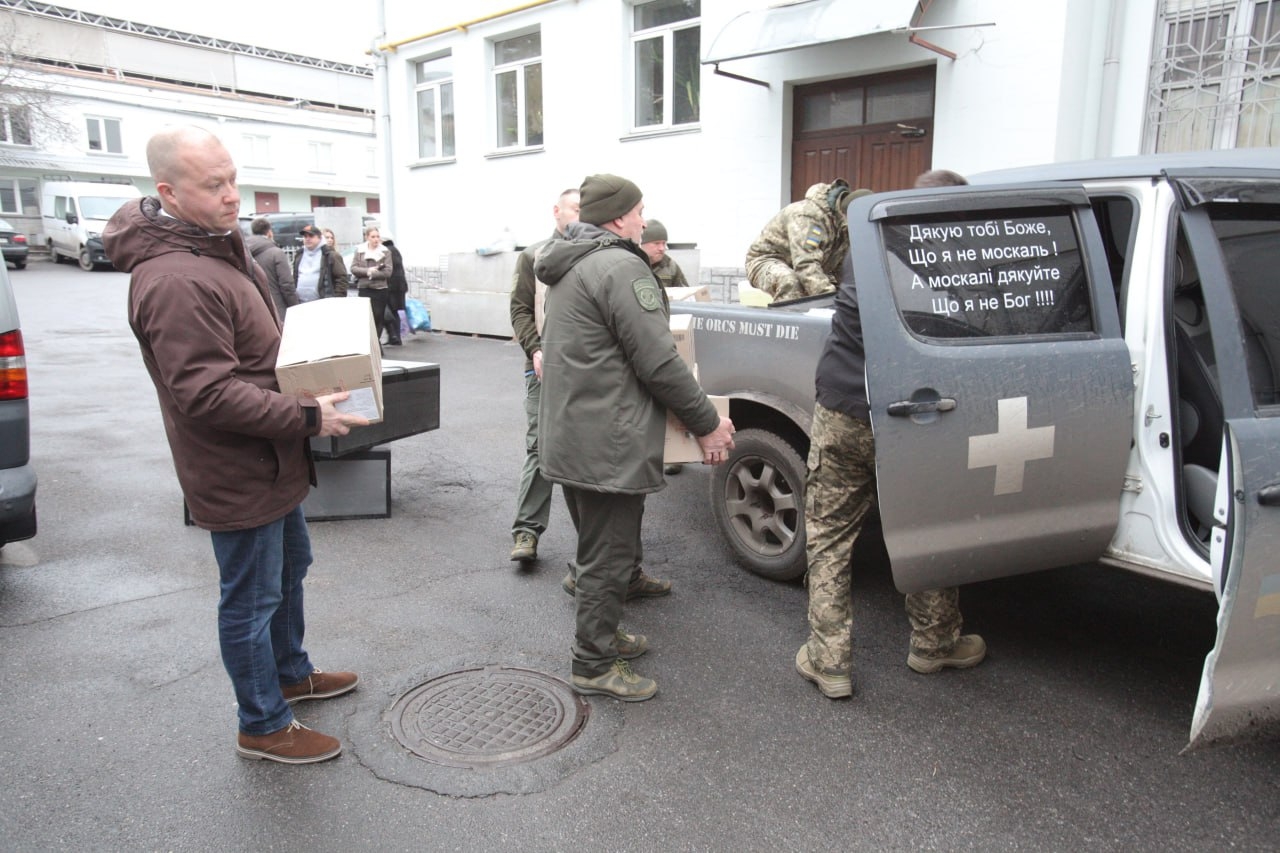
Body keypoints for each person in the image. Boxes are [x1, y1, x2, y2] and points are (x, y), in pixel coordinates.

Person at [102, 126, 369, 763]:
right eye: (213, 184)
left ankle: (290, 673)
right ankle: (263, 722)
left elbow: (255, 345)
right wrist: (308, 415)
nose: (232, 196)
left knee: (290, 572)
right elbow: (205, 393)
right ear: (167, 192)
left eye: (232, 178)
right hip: (236, 465)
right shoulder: (173, 278)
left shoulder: (217, 245)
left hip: (271, 455)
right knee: (250, 599)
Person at [536, 173, 737, 701]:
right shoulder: (622, 267)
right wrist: (707, 423)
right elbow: (659, 362)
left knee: (597, 548)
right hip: (607, 441)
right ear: (620, 218)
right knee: (608, 555)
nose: (645, 220)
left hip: (572, 434)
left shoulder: (570, 263)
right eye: (640, 211)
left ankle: (603, 634)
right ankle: (593, 663)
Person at [795, 251, 985, 701]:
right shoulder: (966, 260)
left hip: (845, 404)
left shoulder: (868, 243)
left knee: (830, 537)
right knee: (927, 526)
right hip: (921, 411)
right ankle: (934, 644)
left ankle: (830, 662)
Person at [508, 187, 579, 563]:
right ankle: (526, 532)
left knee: (585, 453)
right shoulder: (534, 256)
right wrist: (535, 349)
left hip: (585, 373)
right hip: (540, 371)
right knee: (540, 447)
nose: (581, 217)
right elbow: (519, 310)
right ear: (557, 211)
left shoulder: (594, 254)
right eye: (575, 209)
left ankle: (597, 549)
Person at [744, 180, 871, 301]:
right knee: (790, 282)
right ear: (848, 214)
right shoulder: (808, 216)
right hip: (766, 261)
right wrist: (828, 299)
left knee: (840, 291)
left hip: (808, 265)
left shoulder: (843, 226)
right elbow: (805, 263)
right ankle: (789, 322)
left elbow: (842, 268)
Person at [247, 217, 298, 317]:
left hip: (252, 308)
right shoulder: (276, 253)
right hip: (276, 308)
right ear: (269, 232)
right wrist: (295, 306)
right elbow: (286, 284)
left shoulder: (243, 252)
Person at [351, 225, 392, 346]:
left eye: (378, 236)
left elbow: (388, 272)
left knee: (378, 317)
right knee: (367, 318)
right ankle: (368, 344)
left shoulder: (385, 251)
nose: (376, 239)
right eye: (373, 236)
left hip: (380, 289)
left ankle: (376, 343)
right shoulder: (360, 251)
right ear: (367, 237)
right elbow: (353, 268)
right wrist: (367, 271)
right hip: (364, 288)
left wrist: (374, 273)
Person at [292, 223, 347, 302]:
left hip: (324, 304)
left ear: (320, 238)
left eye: (311, 236)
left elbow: (341, 280)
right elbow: (295, 278)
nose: (307, 239)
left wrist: (337, 300)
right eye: (305, 236)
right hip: (301, 303)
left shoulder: (330, 255)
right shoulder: (299, 255)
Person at [638, 219, 689, 289]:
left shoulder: (670, 266)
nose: (662, 248)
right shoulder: (631, 264)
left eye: (664, 243)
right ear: (642, 244)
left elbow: (685, 293)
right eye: (656, 243)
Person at [381, 230, 407, 346]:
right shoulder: (395, 250)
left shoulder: (387, 251)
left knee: (390, 312)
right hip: (399, 286)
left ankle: (395, 336)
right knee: (396, 311)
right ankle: (395, 336)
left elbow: (388, 270)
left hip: (392, 287)